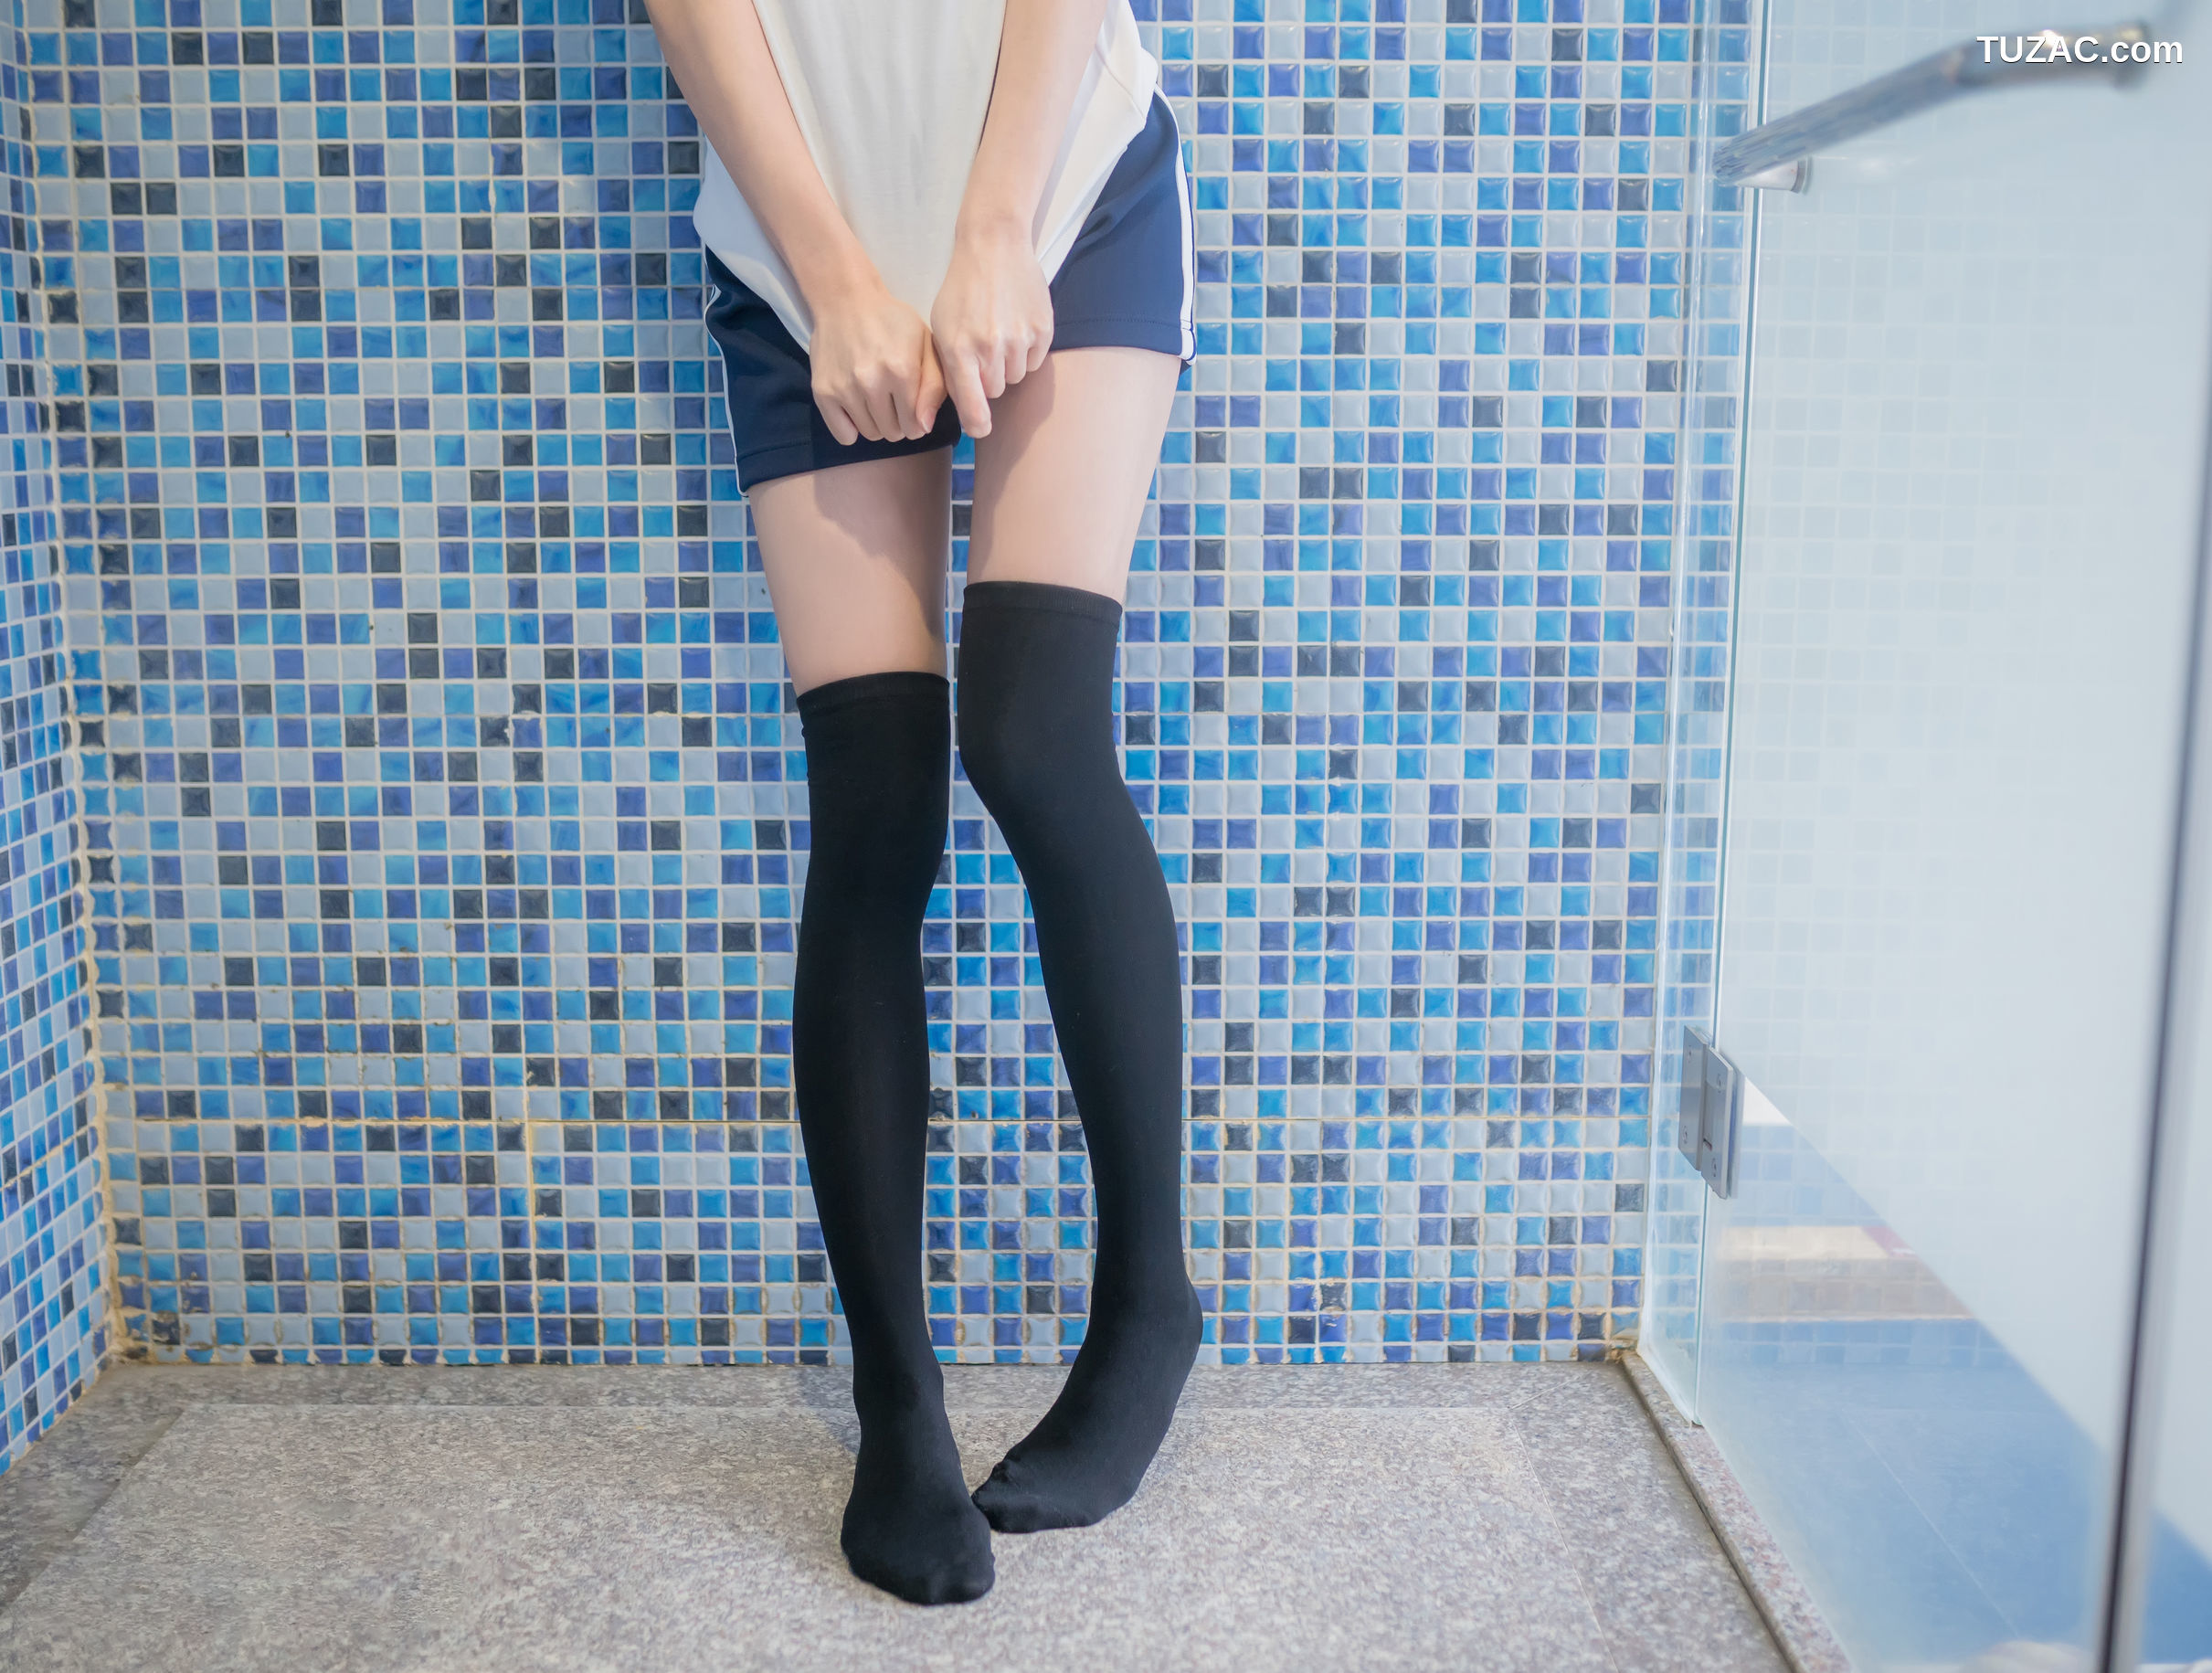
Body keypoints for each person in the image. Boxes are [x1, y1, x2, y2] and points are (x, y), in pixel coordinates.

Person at [641, 0, 1204, 1607]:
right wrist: (831, 280)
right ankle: (896, 1402)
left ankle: (1148, 1305)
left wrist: (995, 232)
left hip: (1060, 190)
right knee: (874, 802)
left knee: (1032, 734)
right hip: (796, 243)